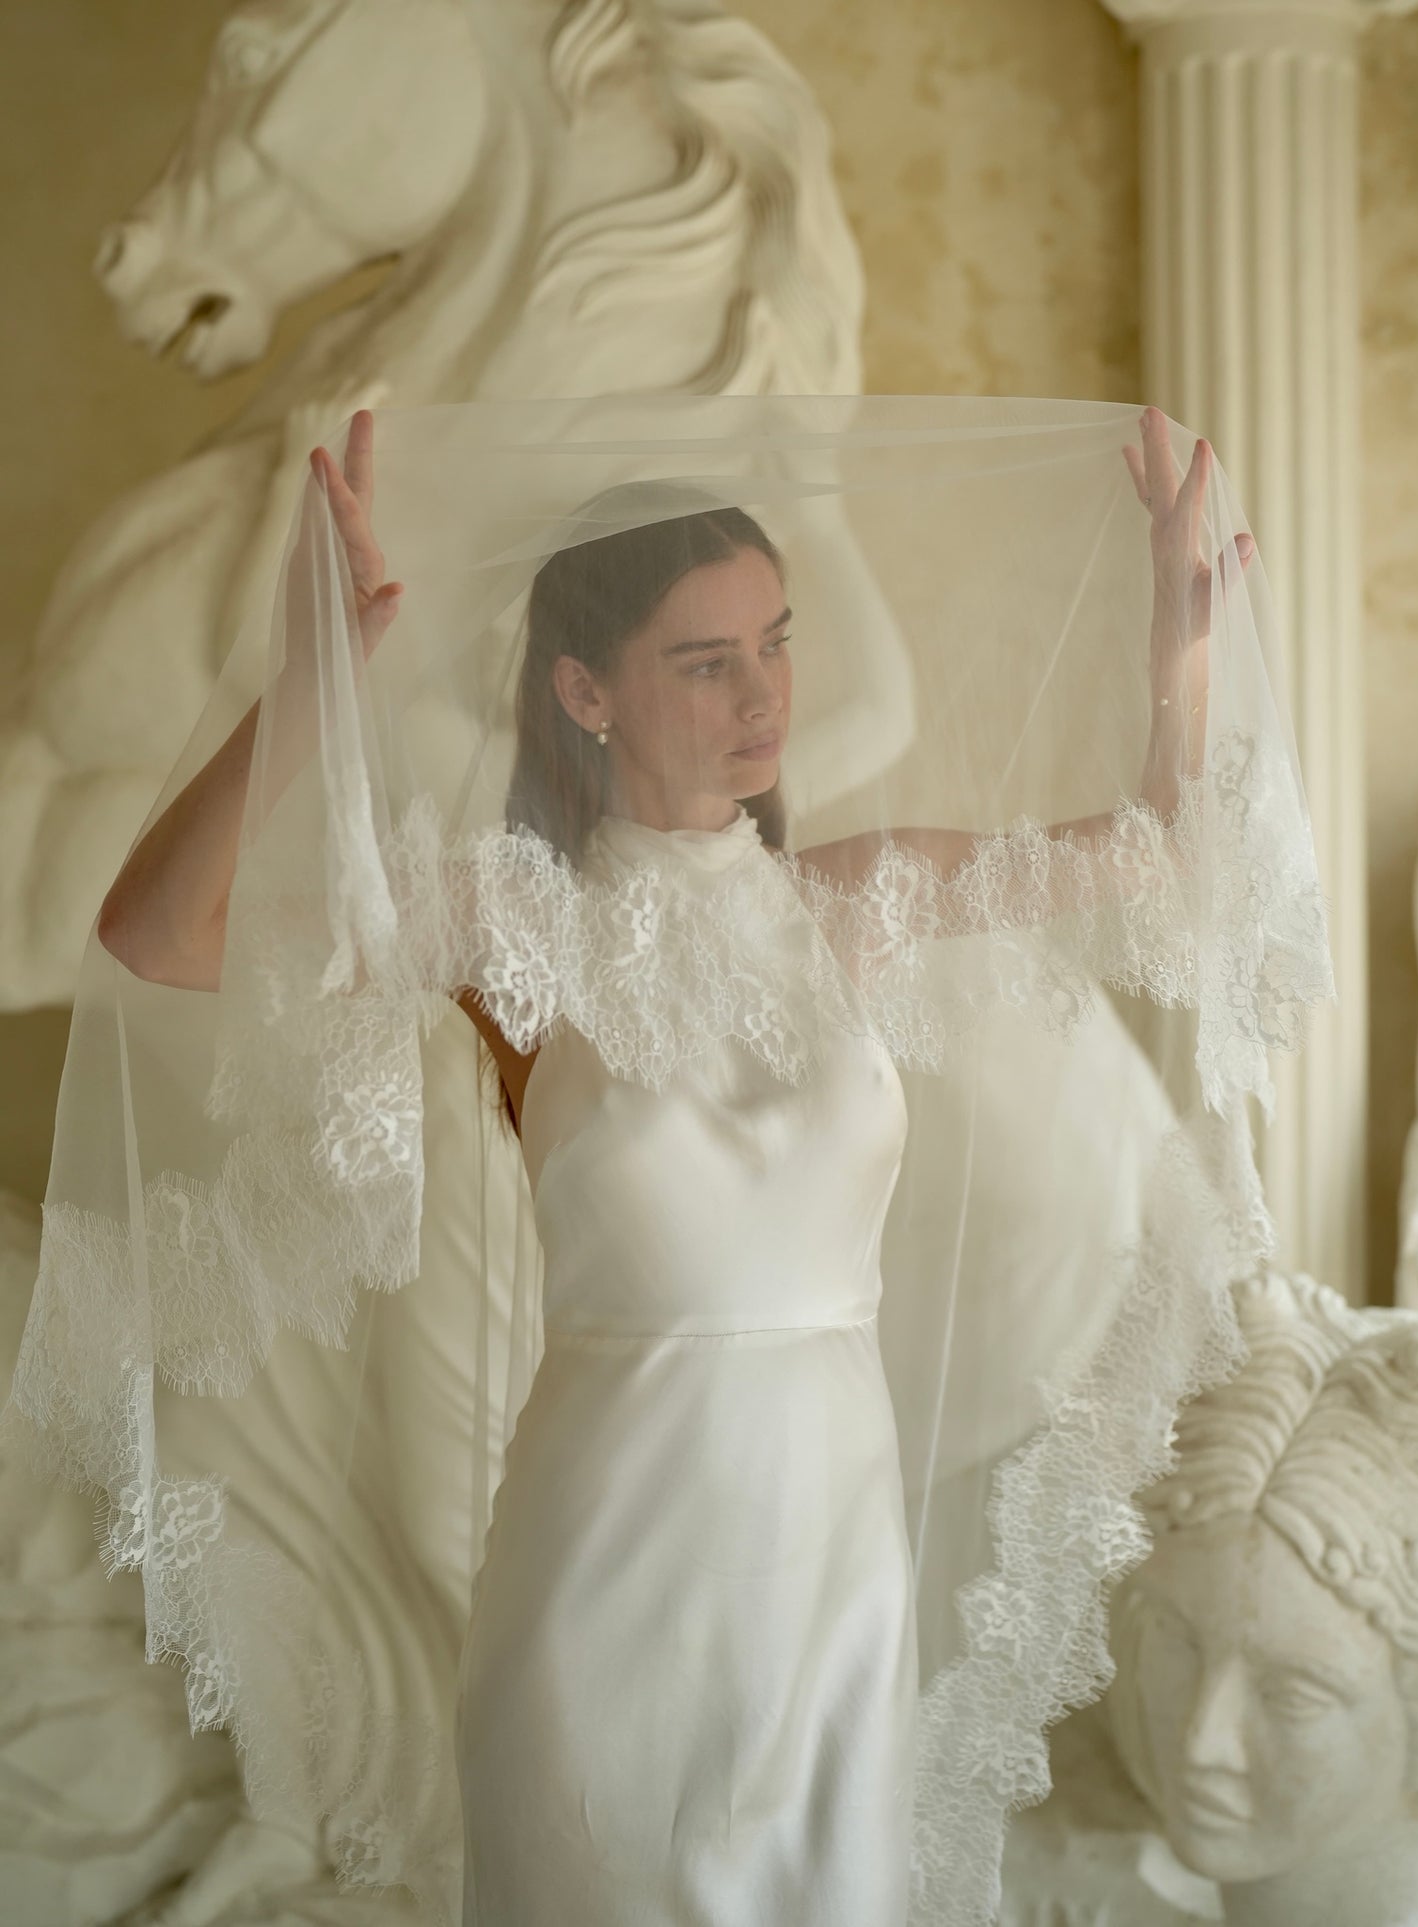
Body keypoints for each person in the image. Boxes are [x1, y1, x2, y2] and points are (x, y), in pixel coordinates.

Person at [7, 395, 1327, 1927]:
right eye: (707, 662)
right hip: (601, 1561)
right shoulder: (514, 927)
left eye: (775, 641)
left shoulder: (858, 899)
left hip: (826, 1560)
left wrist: (1179, 646)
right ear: (584, 690)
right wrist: (311, 682)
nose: (762, 694)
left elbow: (1180, 857)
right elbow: (159, 938)